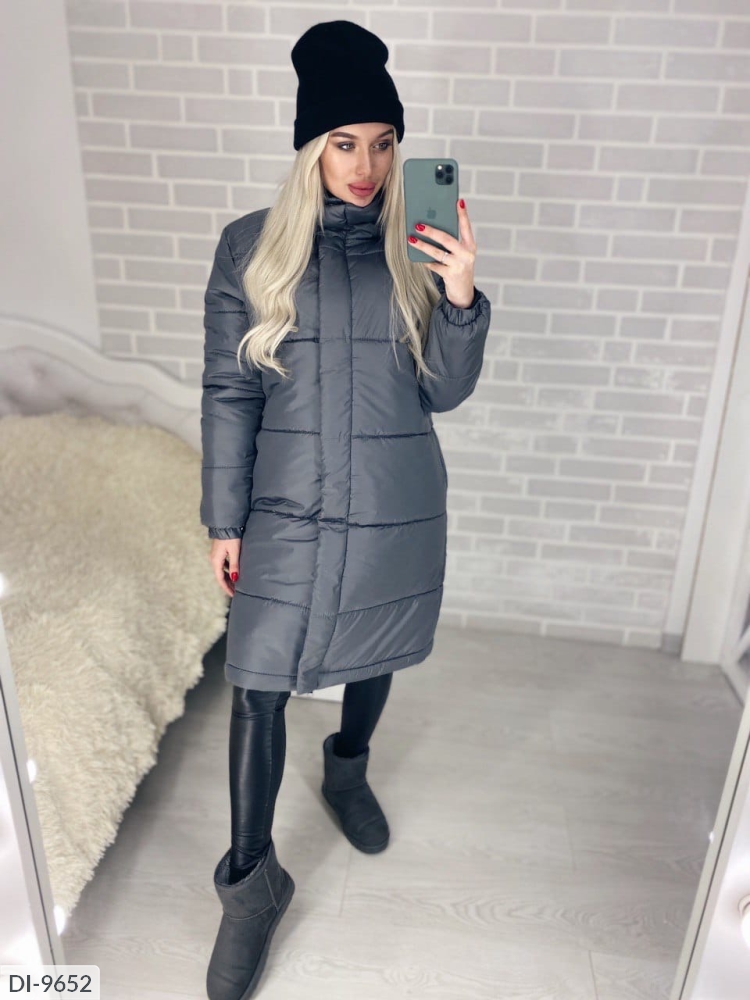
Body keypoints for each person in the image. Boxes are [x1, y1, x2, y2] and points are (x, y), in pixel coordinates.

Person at [199, 20, 492, 1000]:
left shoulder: (417, 246)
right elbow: (229, 390)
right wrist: (224, 520)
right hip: (284, 506)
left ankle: (349, 766)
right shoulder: (249, 248)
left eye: (382, 142)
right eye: (343, 143)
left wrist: (460, 297)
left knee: (374, 649)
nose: (365, 167)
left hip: (393, 498)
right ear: (309, 148)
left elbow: (444, 391)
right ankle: (250, 887)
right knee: (255, 682)